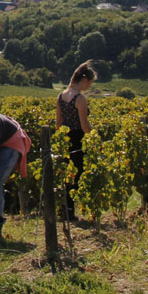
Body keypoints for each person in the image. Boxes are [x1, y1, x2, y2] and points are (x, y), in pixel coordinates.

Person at [55, 61, 95, 217]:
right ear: (84, 80)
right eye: (89, 84)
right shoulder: (80, 99)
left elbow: (58, 124)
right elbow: (85, 126)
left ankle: (64, 209)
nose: (89, 87)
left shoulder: (61, 96)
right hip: (78, 139)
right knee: (77, 174)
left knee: (67, 174)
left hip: (65, 140)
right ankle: (69, 211)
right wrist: (95, 138)